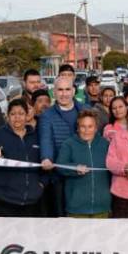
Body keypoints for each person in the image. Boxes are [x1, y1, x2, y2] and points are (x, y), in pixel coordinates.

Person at [0, 96, 48, 217]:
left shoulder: (37, 136)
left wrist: (42, 183)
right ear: (7, 116)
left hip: (32, 202)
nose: (17, 117)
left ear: (27, 115)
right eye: (13, 114)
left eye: (21, 113)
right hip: (2, 201)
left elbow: (47, 161)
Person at [37, 75, 83, 217]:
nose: (64, 94)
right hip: (58, 174)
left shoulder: (84, 110)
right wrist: (46, 158)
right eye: (60, 90)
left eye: (67, 89)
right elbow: (46, 139)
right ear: (54, 92)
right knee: (61, 215)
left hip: (82, 171)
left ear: (74, 91)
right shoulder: (47, 115)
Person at [56, 112, 111, 218]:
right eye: (83, 126)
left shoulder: (105, 144)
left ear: (96, 128)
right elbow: (60, 166)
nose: (86, 131)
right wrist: (75, 168)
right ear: (78, 128)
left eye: (90, 126)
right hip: (76, 207)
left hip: (102, 206)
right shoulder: (69, 144)